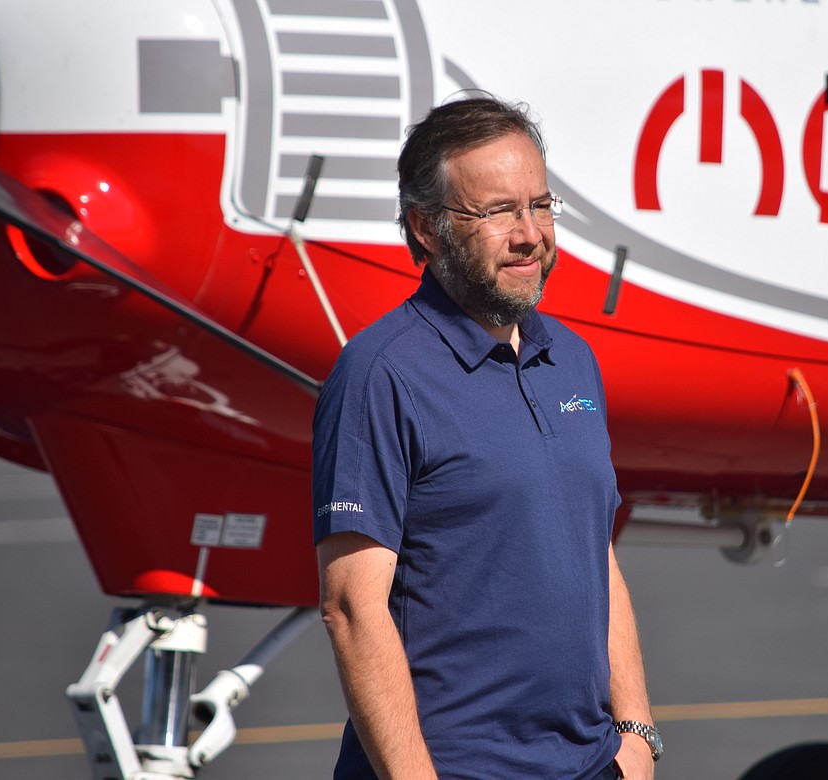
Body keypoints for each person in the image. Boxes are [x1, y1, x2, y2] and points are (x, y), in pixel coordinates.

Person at [312, 94, 660, 779]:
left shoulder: (573, 359)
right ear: (428, 228)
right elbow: (352, 607)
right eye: (499, 211)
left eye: (541, 204)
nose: (530, 233)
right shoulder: (381, 374)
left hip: (592, 764)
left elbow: (598, 553)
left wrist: (638, 736)